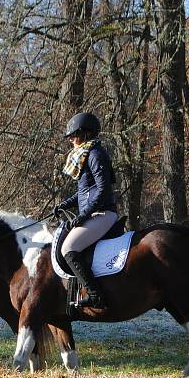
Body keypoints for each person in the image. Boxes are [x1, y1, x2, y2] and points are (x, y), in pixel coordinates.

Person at [53, 112, 118, 312]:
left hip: (102, 213)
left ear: (85, 134)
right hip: (94, 212)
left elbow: (102, 190)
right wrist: (66, 204)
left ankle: (95, 295)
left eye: (74, 135)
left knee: (68, 248)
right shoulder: (86, 155)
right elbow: (85, 193)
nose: (71, 139)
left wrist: (84, 215)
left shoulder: (96, 154)